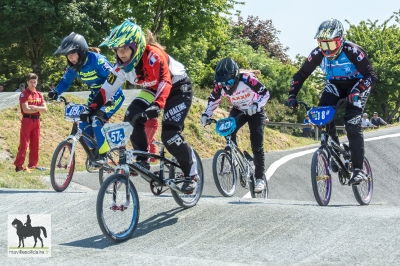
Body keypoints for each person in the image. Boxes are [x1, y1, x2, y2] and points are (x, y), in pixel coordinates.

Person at [85, 20, 198, 193]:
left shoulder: (154, 56)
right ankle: (142, 158)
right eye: (116, 50)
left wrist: (157, 106)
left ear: (135, 46)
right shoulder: (120, 67)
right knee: (131, 117)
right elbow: (107, 89)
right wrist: (91, 108)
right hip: (152, 88)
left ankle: (192, 174)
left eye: (124, 49)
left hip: (177, 88)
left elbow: (166, 82)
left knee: (170, 134)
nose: (120, 54)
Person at [285, 19, 378, 185]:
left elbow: (371, 75)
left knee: (352, 123)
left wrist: (357, 90)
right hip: (335, 84)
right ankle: (334, 147)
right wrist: (292, 96)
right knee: (323, 116)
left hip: (358, 85)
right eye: (322, 44)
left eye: (330, 45)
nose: (326, 49)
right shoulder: (317, 54)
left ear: (340, 39)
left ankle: (358, 169)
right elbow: (300, 75)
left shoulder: (352, 51)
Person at [48, 32, 126, 163]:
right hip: (96, 96)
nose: (71, 58)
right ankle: (95, 151)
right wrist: (56, 92)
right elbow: (66, 82)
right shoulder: (74, 66)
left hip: (113, 94)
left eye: (73, 54)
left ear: (82, 51)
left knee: (96, 120)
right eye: (68, 55)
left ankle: (103, 155)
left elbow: (114, 77)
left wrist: (110, 97)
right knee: (83, 122)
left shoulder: (97, 60)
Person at [200, 58, 270, 193]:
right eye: (223, 83)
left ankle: (260, 178)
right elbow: (213, 100)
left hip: (255, 110)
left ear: (236, 76)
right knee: (228, 131)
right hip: (238, 109)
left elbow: (265, 93)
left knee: (256, 143)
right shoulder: (220, 85)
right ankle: (235, 158)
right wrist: (205, 115)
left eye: (229, 82)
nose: (226, 86)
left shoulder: (247, 79)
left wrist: (256, 105)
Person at [14, 73, 48, 172]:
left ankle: (33, 165)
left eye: (35, 82)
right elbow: (26, 109)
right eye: (31, 82)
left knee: (35, 144)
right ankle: (19, 166)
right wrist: (39, 109)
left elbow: (45, 109)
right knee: (24, 144)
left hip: (36, 121)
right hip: (27, 120)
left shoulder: (39, 94)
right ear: (27, 82)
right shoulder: (24, 94)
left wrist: (35, 107)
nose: (33, 84)